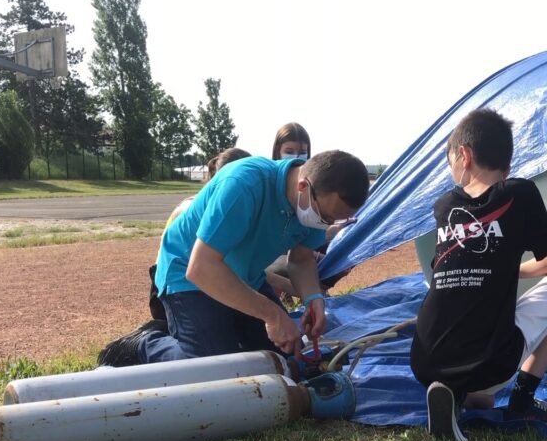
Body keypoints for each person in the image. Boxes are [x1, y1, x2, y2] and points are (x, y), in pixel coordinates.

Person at [409, 108, 547, 441]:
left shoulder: (445, 205)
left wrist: (501, 267)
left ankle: (454, 396)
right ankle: (523, 398)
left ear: (464, 155)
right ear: (507, 163)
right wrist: (513, 268)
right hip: (489, 360)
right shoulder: (519, 194)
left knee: (484, 399)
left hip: (425, 359)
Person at [100, 149, 370, 365]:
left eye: (334, 220)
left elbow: (300, 260)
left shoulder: (311, 205)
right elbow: (201, 267)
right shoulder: (243, 185)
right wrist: (274, 315)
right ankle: (146, 343)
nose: (326, 224)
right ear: (303, 186)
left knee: (283, 358)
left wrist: (314, 299)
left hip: (244, 278)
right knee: (213, 368)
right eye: (325, 217)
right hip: (189, 276)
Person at [148, 147, 251, 320]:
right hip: (171, 291)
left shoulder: (234, 210)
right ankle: (149, 340)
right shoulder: (191, 210)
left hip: (203, 281)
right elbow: (203, 268)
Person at [264, 123, 356, 301]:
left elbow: (306, 239)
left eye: (302, 152)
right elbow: (289, 246)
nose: (296, 157)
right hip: (271, 258)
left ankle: (314, 293)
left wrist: (336, 231)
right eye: (289, 151)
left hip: (290, 253)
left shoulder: (311, 192)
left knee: (332, 259)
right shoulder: (266, 190)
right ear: (277, 151)